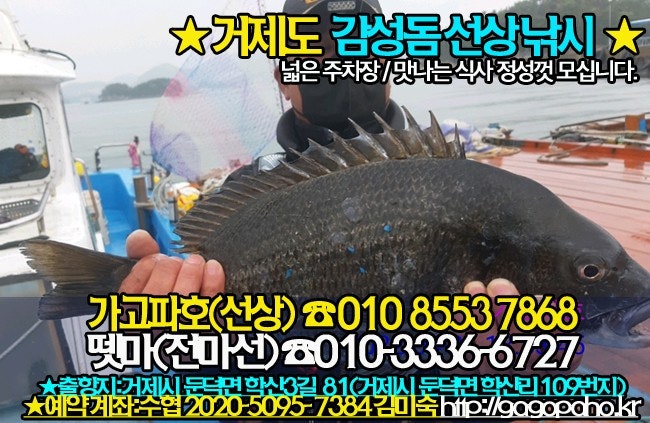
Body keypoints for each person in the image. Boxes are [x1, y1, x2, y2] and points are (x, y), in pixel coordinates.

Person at [120, 0, 546, 370]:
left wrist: (507, 373)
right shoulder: (248, 192)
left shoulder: (463, 188)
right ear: (283, 79)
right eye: (316, 51)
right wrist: (183, 342)